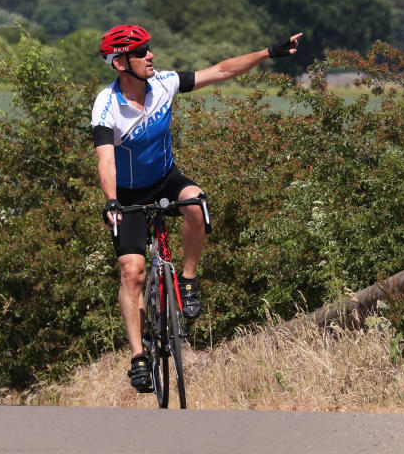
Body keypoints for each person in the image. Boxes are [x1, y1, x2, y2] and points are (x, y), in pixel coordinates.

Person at [90, 24, 301, 392]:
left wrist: (269, 53)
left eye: (149, 48)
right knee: (132, 272)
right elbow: (105, 161)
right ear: (121, 63)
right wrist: (111, 201)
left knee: (196, 202)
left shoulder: (166, 84)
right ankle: (139, 356)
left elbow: (221, 70)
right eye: (141, 52)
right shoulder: (107, 105)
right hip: (126, 193)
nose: (151, 55)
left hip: (165, 178)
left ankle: (187, 280)